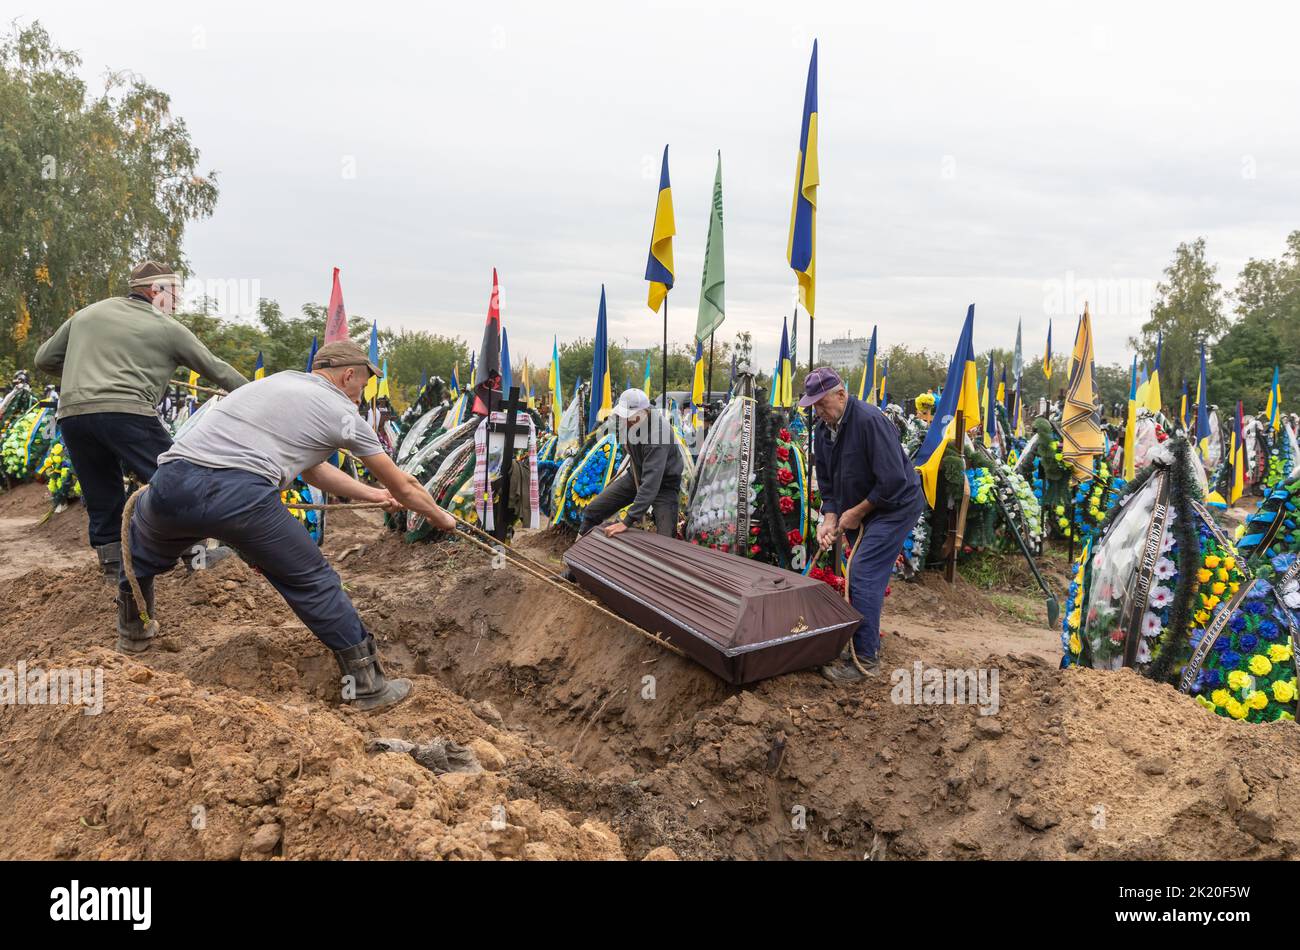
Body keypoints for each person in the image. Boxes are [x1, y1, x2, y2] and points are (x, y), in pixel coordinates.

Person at [119, 340, 456, 712]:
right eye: (363, 382)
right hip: (239, 498)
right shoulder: (341, 410)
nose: (362, 392)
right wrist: (442, 518)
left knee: (138, 557)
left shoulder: (275, 385)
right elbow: (405, 486)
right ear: (348, 376)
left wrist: (371, 495)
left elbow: (311, 467)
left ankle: (133, 633)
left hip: (169, 485)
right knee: (312, 581)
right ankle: (367, 687)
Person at [34, 261, 248, 579]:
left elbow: (44, 359)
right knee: (178, 481)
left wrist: (87, 372)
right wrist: (261, 396)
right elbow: (218, 369)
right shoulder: (166, 327)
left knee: (100, 491)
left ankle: (112, 566)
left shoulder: (87, 314)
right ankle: (198, 558)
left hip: (74, 416)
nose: (177, 301)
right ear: (154, 291)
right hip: (127, 413)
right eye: (174, 293)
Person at [802, 367, 925, 683]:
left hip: (894, 506)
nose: (817, 411)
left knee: (863, 572)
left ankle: (865, 661)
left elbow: (893, 480)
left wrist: (856, 512)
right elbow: (828, 485)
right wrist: (829, 518)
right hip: (860, 508)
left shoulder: (870, 421)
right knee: (853, 569)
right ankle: (855, 641)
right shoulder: (823, 430)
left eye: (821, 403)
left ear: (841, 395)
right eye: (813, 405)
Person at [579, 388, 682, 538]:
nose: (624, 420)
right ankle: (582, 554)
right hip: (635, 476)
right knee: (593, 511)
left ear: (643, 413)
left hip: (664, 485)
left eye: (628, 416)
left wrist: (627, 521)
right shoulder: (628, 422)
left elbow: (651, 484)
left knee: (666, 537)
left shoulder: (658, 435)